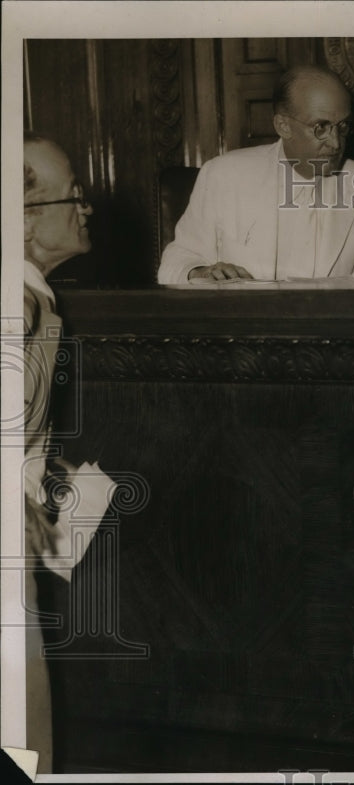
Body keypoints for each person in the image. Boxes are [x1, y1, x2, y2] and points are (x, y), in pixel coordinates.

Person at [21, 133, 114, 774]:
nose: (86, 207)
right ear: (25, 219)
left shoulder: (31, 297)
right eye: (72, 195)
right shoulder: (18, 303)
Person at [156, 65, 354, 286]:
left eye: (342, 127)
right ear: (283, 126)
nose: (335, 143)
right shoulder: (223, 174)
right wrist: (201, 272)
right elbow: (177, 261)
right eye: (320, 127)